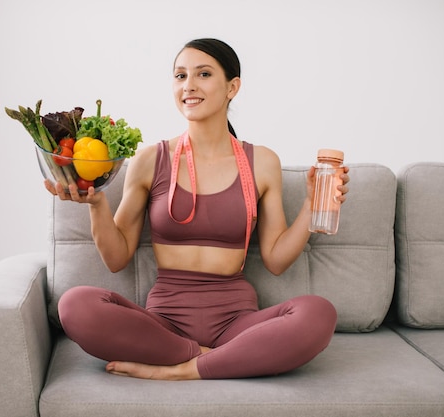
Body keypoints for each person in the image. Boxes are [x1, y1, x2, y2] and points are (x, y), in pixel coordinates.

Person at [45, 38, 350, 380]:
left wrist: (312, 204)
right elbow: (116, 259)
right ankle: (216, 360)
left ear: (232, 87)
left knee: (318, 313)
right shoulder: (150, 160)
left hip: (236, 322)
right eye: (180, 76)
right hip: (163, 324)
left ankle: (181, 369)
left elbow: (277, 260)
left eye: (203, 74)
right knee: (75, 305)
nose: (188, 85)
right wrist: (97, 203)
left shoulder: (261, 162)